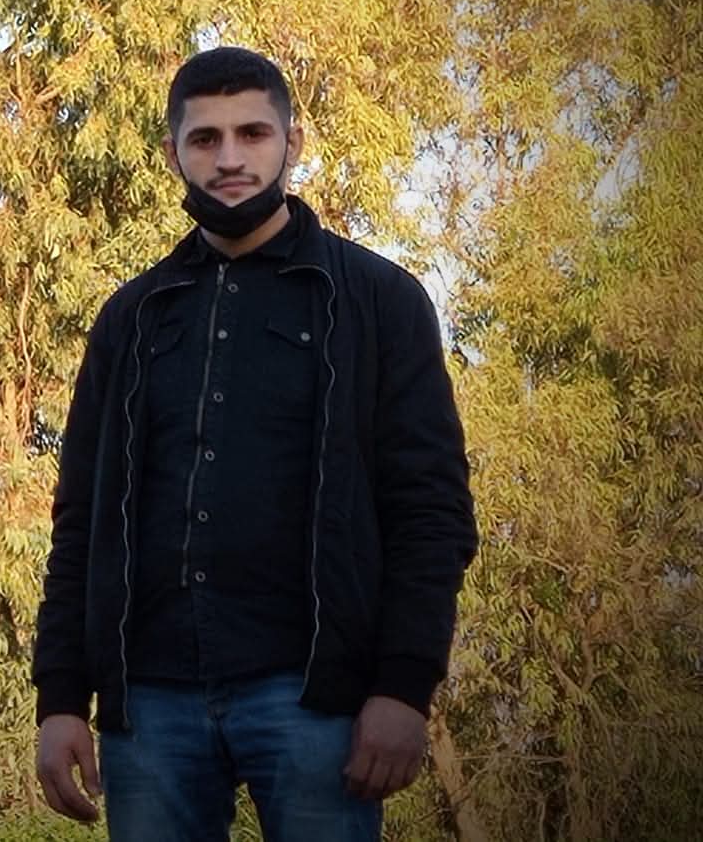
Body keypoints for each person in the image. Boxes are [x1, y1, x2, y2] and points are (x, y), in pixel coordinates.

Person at [31, 47, 477, 841]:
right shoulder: (131, 319)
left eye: (253, 133)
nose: (229, 158)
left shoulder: (380, 302)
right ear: (173, 154)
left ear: (292, 142)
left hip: (315, 698)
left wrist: (404, 688)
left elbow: (430, 511)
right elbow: (81, 523)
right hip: (151, 701)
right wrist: (61, 697)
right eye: (205, 139)